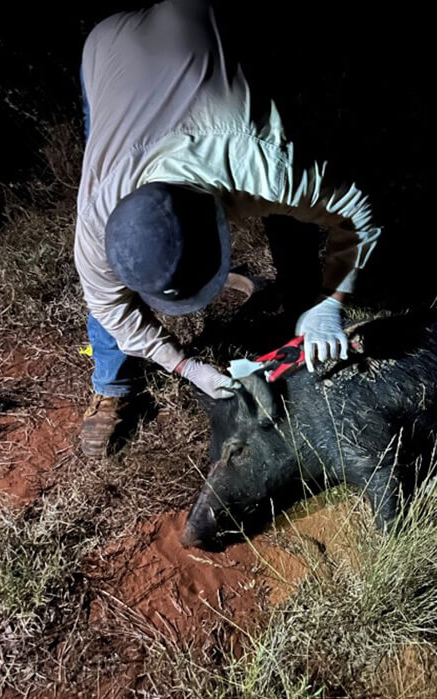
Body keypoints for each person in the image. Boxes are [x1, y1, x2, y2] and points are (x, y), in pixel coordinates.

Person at [75, 0, 382, 457]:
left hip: (198, 28)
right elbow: (110, 309)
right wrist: (185, 366)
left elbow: (356, 212)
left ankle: (304, 313)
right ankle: (113, 384)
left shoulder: (264, 168)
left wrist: (331, 301)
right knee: (104, 312)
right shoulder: (96, 221)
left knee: (293, 215)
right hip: (107, 53)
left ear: (223, 219)